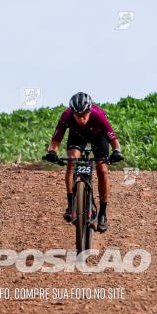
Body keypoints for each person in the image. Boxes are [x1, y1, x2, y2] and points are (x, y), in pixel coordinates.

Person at [43, 92, 122, 232]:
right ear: (72, 112)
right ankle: (71, 205)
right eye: (77, 115)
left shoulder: (98, 115)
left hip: (98, 137)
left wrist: (116, 152)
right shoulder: (66, 116)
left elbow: (114, 141)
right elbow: (55, 141)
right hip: (77, 137)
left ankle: (103, 214)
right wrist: (52, 153)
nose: (81, 118)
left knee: (102, 170)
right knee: (72, 161)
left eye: (84, 114)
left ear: (90, 110)